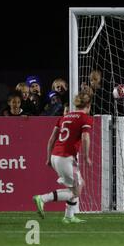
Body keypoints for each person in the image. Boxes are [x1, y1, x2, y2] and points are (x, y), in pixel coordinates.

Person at [33, 92, 93, 224]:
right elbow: (85, 137)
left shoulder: (64, 117)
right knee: (76, 191)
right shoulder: (85, 118)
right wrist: (87, 156)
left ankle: (69, 216)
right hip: (65, 157)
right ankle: (43, 198)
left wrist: (48, 158)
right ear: (88, 105)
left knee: (79, 184)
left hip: (56, 156)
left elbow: (51, 139)